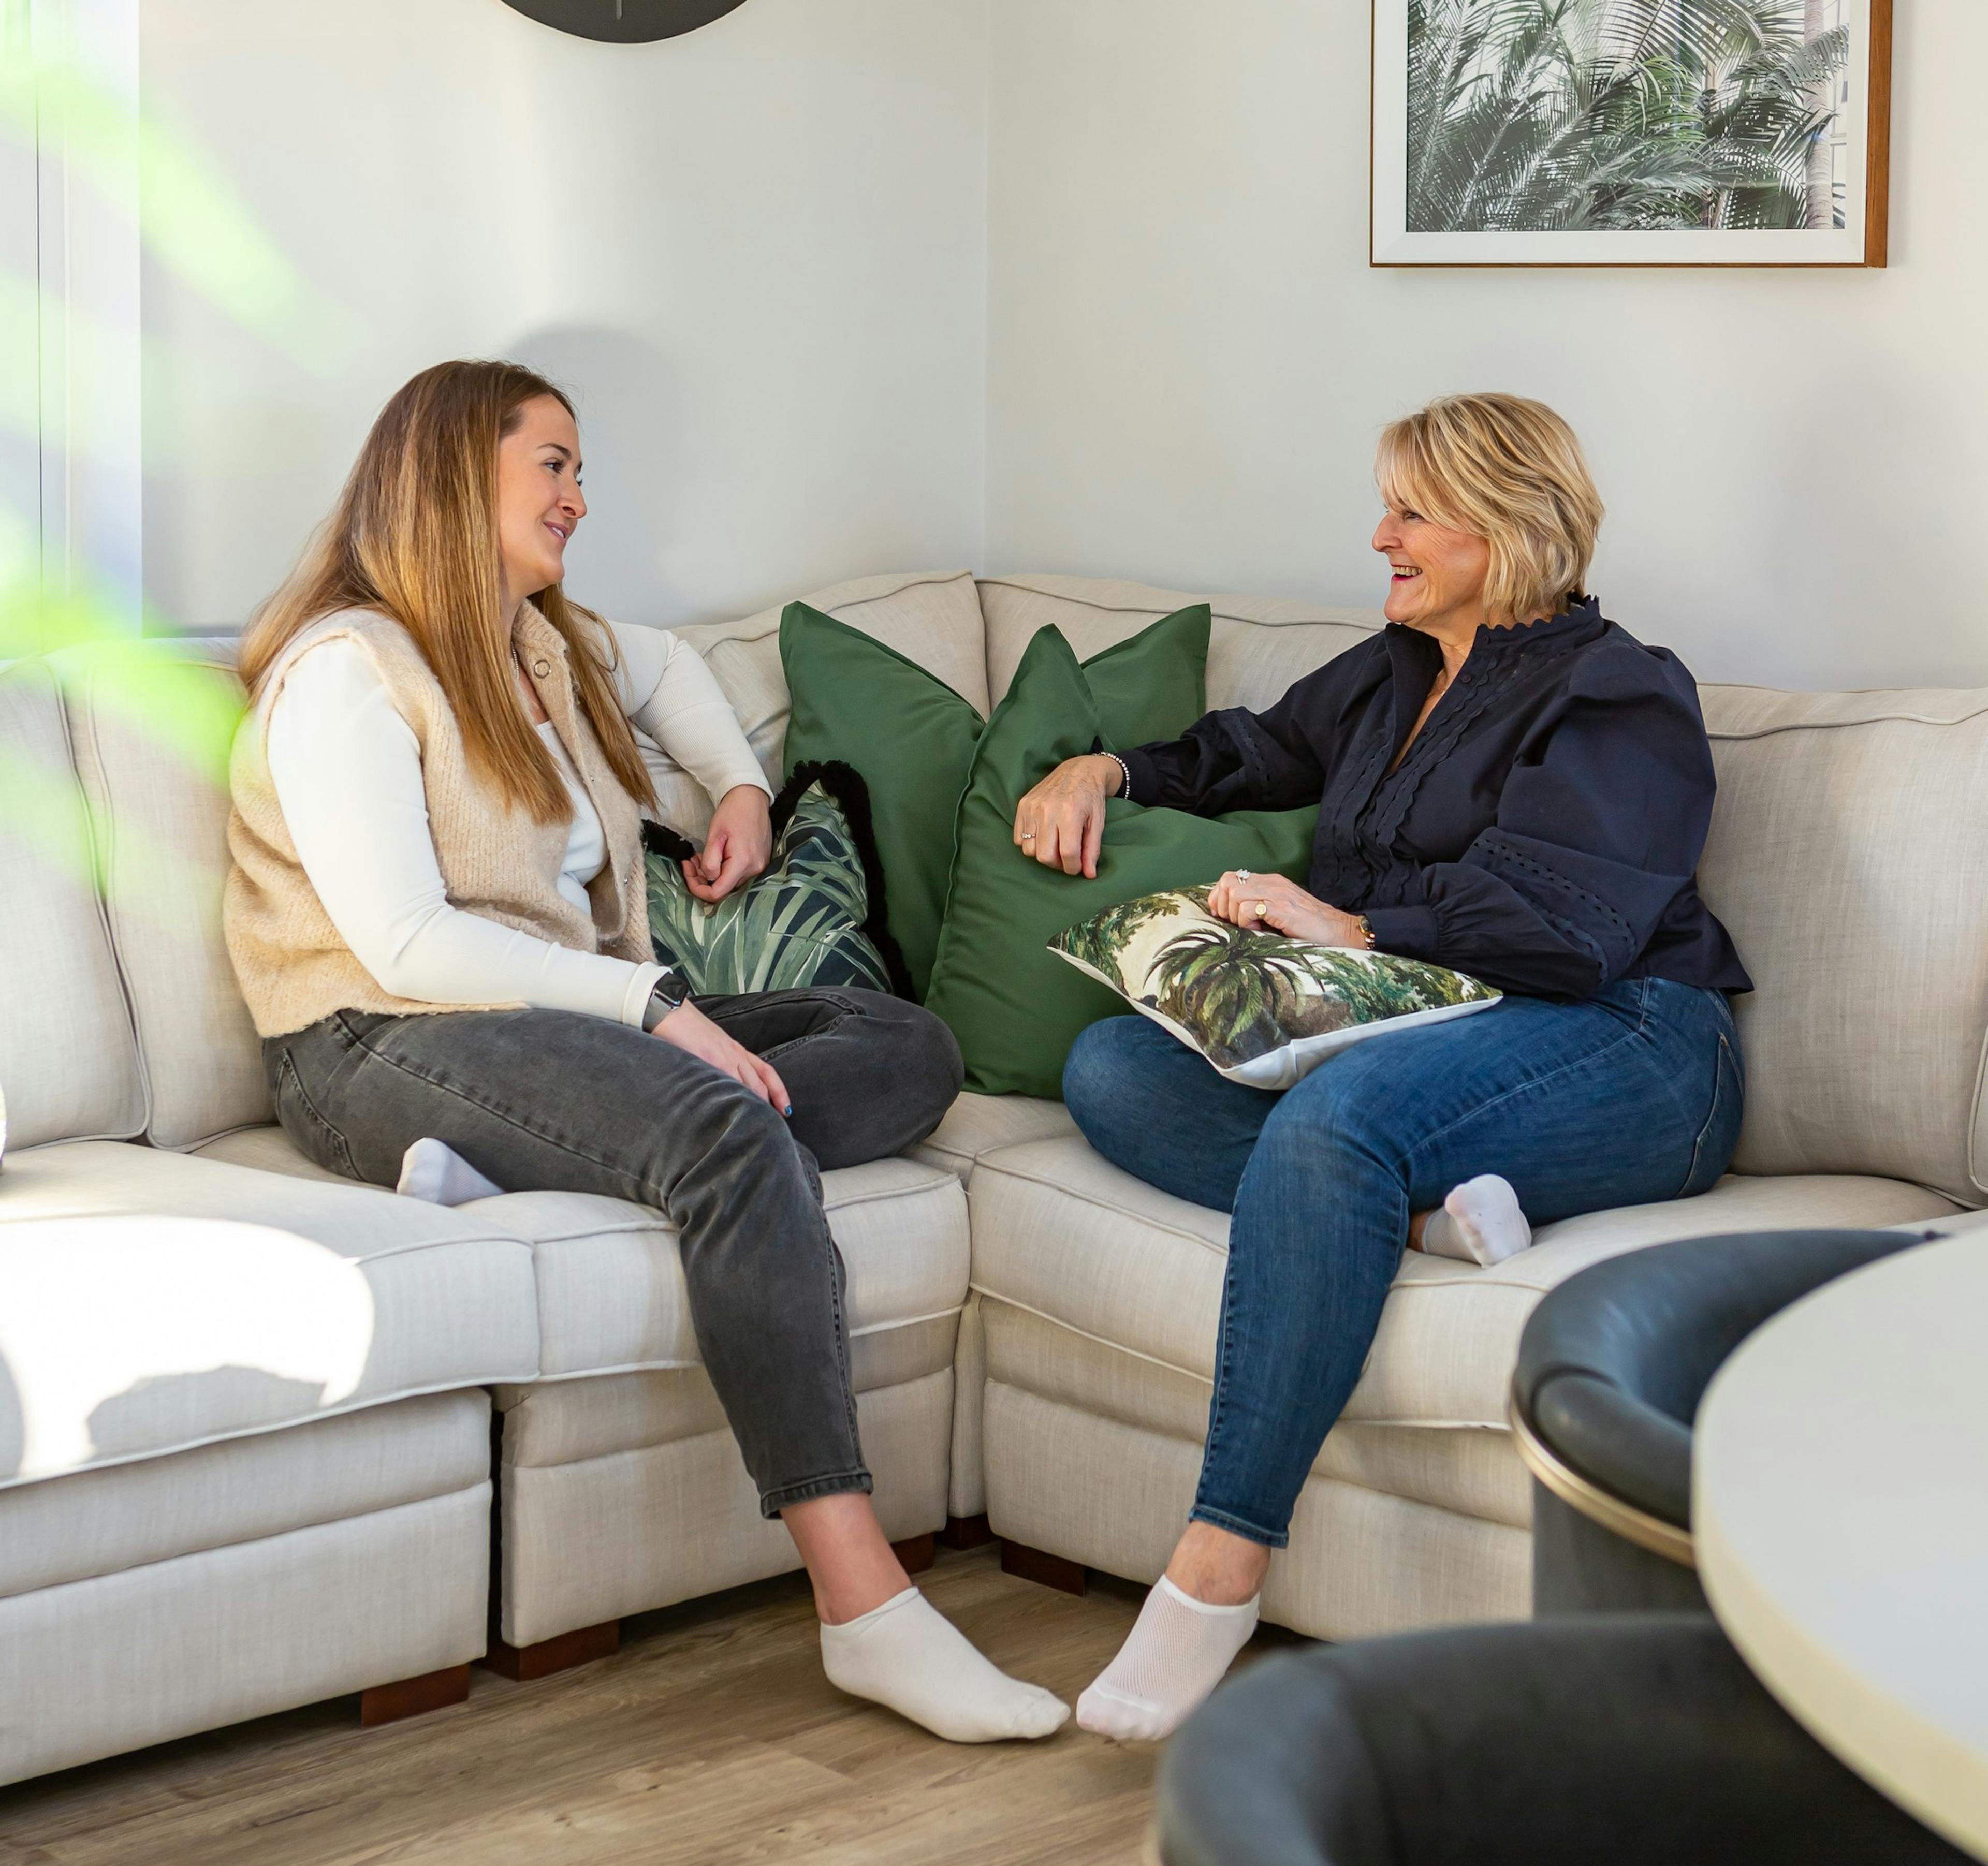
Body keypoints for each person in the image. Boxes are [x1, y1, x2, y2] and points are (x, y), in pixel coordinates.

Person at [224, 359, 1067, 1745]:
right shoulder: (346, 671)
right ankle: (867, 1608)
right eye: (553, 464)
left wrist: (741, 787)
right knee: (728, 1130)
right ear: (457, 471)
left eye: (579, 468)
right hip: (372, 1043)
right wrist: (659, 1010)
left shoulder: (542, 645)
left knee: (908, 1045)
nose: (579, 496)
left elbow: (670, 665)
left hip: (556, 1031)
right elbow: (406, 944)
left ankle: (571, 1157)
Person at [1013, 392, 1751, 1741]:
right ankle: (1417, 1219)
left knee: (1338, 1119)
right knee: (1116, 1066)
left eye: (1411, 511)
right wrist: (1102, 769)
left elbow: (1573, 932)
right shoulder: (1398, 668)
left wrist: (1350, 926)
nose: (1380, 538)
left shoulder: (1622, 692)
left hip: (1635, 1042)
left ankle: (1218, 1567)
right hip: (1439, 1026)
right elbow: (1252, 750)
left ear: (1503, 523)